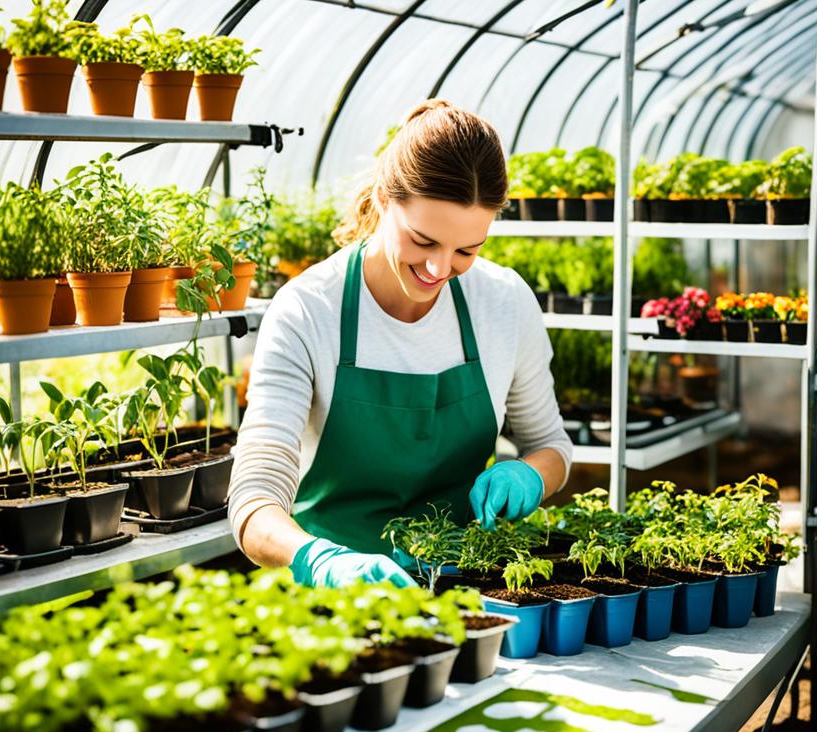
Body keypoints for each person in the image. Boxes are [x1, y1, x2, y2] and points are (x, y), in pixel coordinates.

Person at [229, 99, 572, 588]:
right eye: (423, 240)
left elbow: (550, 445)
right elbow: (254, 499)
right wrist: (319, 561)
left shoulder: (503, 302)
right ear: (386, 200)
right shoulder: (309, 310)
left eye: (467, 250)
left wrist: (531, 476)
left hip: (468, 589)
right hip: (333, 598)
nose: (439, 268)